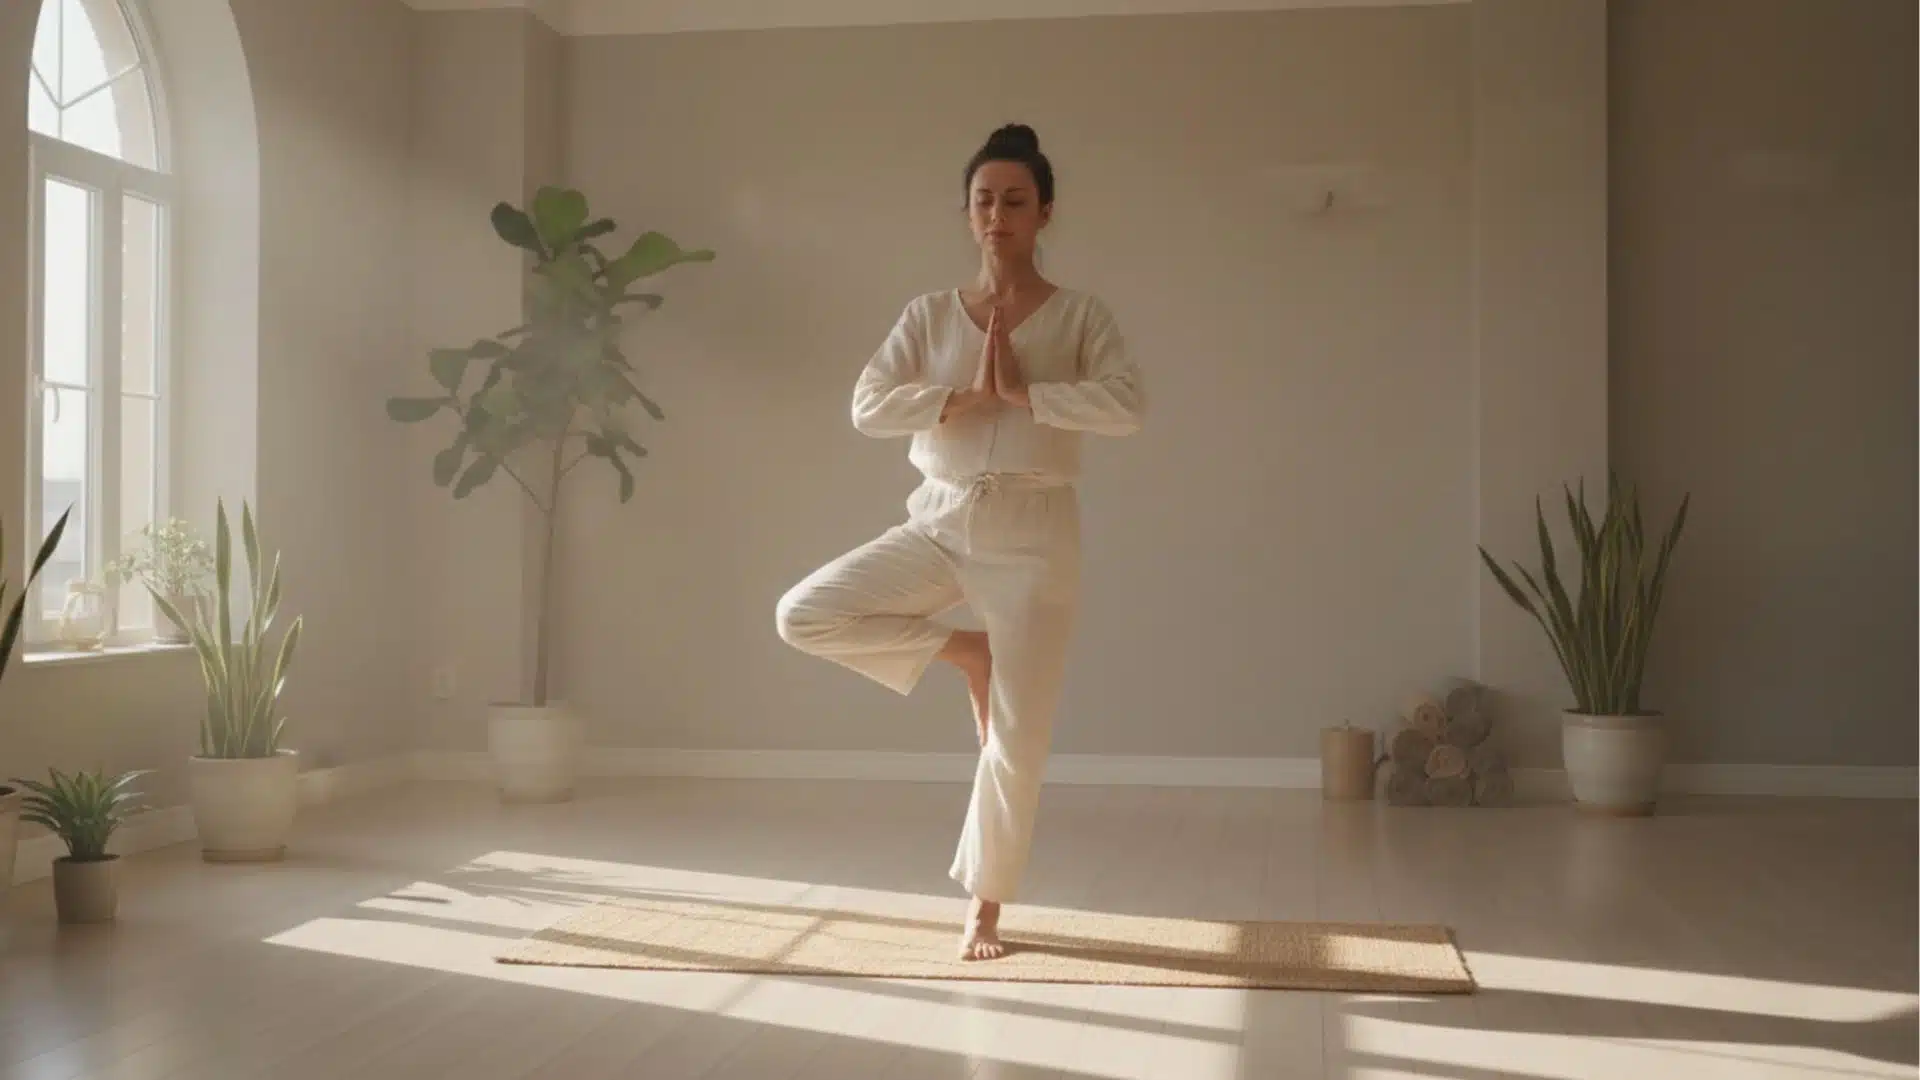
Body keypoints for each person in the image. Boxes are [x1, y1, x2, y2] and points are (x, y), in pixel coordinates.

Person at [774, 123, 1146, 961]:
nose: (997, 214)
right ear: (967, 213)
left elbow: (1127, 406)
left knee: (1016, 736)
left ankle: (984, 909)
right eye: (984, 200)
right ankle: (964, 653)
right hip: (939, 518)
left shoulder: (1082, 315)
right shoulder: (929, 315)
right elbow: (868, 405)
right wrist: (958, 398)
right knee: (805, 613)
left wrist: (1028, 394)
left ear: (1044, 212)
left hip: (1035, 533)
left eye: (1015, 200)